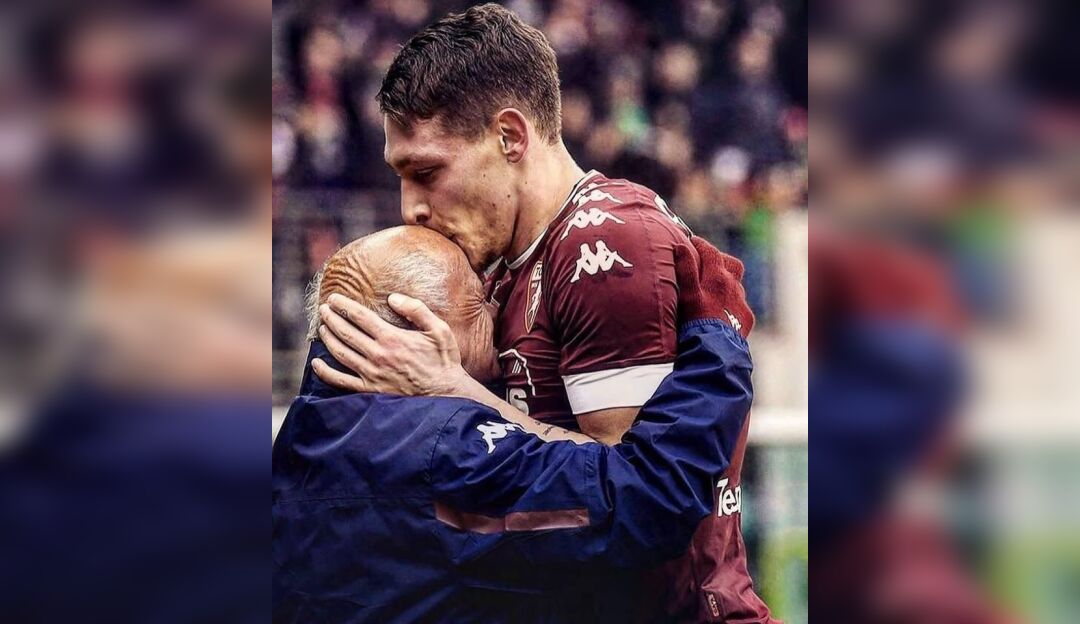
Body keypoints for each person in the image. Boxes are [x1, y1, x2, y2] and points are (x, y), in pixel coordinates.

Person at [314, 5, 776, 622]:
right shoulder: (504, 262)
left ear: (510, 137)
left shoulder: (604, 241)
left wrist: (453, 392)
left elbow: (635, 506)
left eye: (426, 172)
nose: (411, 208)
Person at [273, 226, 754, 622]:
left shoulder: (300, 436)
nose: (498, 309)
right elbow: (646, 498)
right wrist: (717, 337)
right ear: (419, 329)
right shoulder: (443, 452)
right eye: (478, 300)